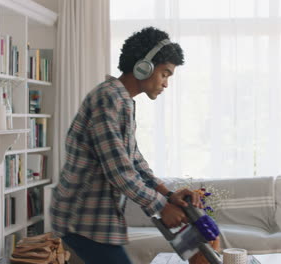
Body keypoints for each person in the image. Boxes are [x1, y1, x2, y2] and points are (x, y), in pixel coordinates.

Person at [50, 27, 201, 264]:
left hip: (97, 219)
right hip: (80, 218)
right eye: (165, 74)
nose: (166, 84)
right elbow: (119, 171)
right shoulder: (107, 98)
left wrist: (168, 194)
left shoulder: (123, 101)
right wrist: (161, 207)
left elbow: (133, 160)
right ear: (144, 66)